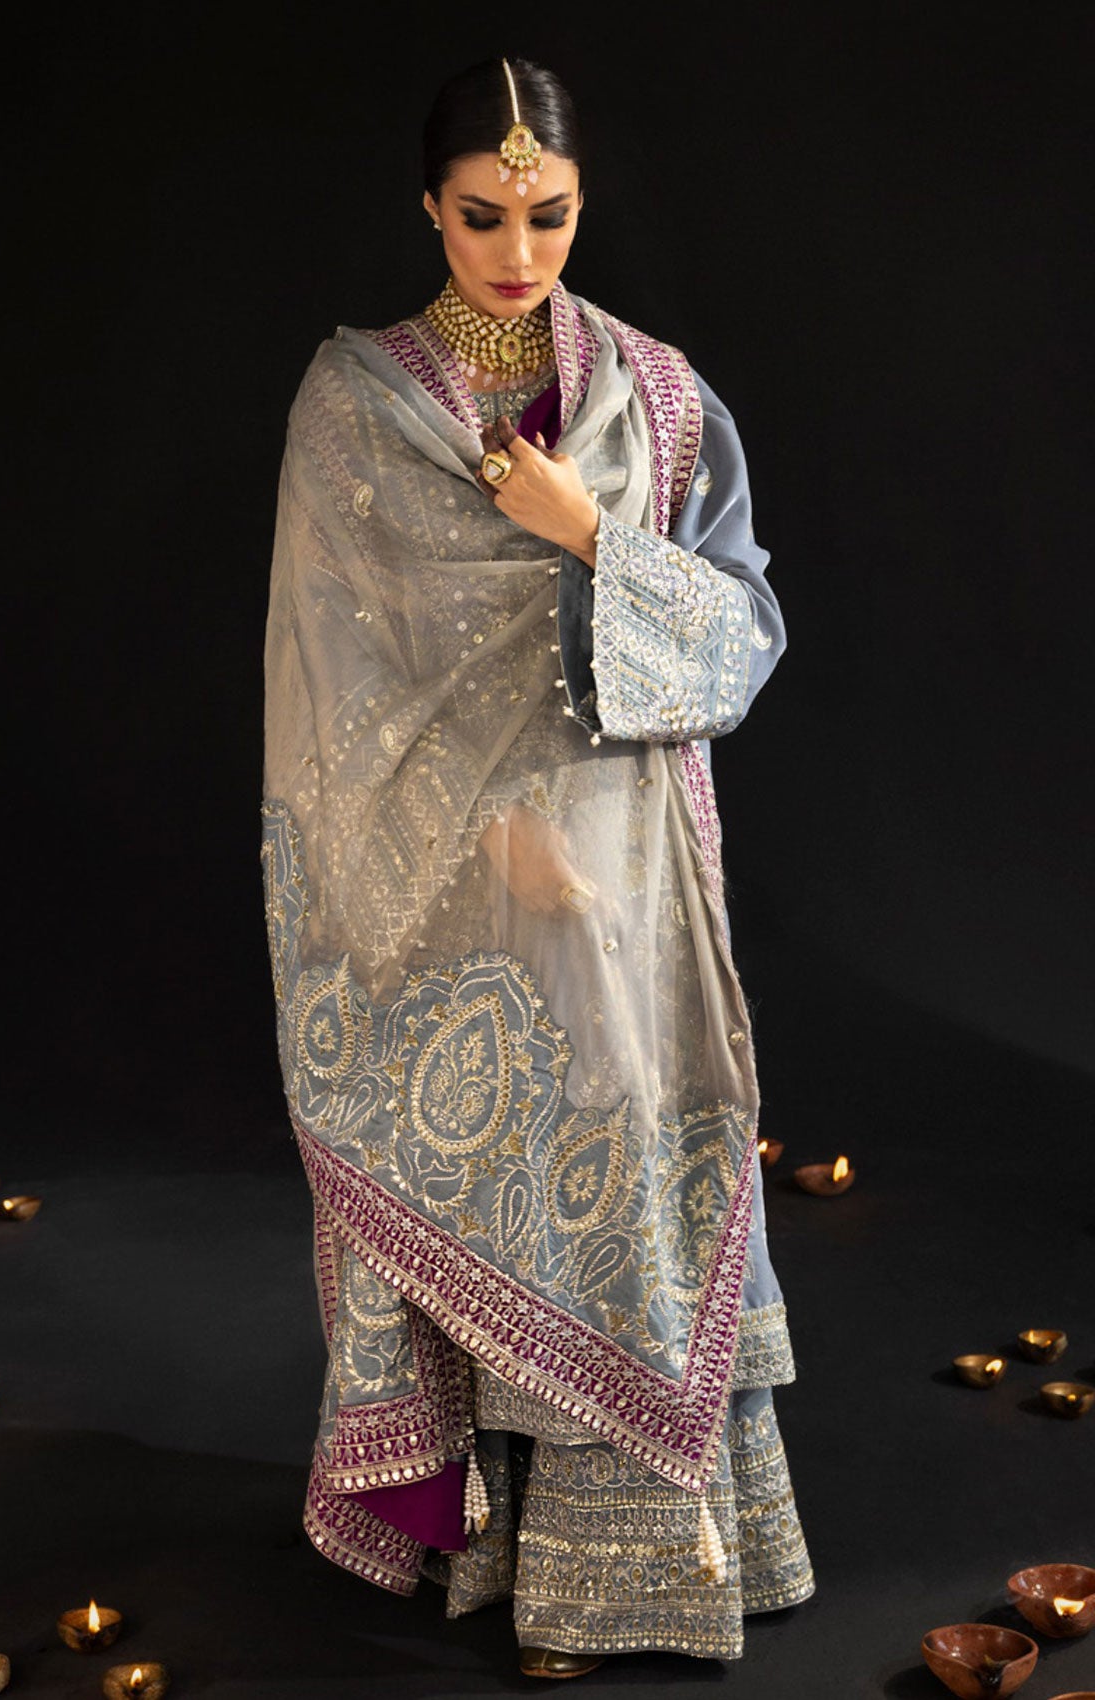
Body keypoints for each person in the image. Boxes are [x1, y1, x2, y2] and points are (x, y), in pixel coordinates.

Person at [262, 54, 814, 1680]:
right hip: (450, 884)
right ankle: (496, 1554)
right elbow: (337, 696)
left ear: (583, 205)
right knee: (502, 1169)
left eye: (551, 216)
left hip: (632, 882)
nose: (519, 252)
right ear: (429, 209)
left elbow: (742, 641)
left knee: (631, 1161)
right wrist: (483, 832)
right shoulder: (356, 409)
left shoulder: (659, 395)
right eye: (483, 216)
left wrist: (589, 536)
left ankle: (640, 1564)